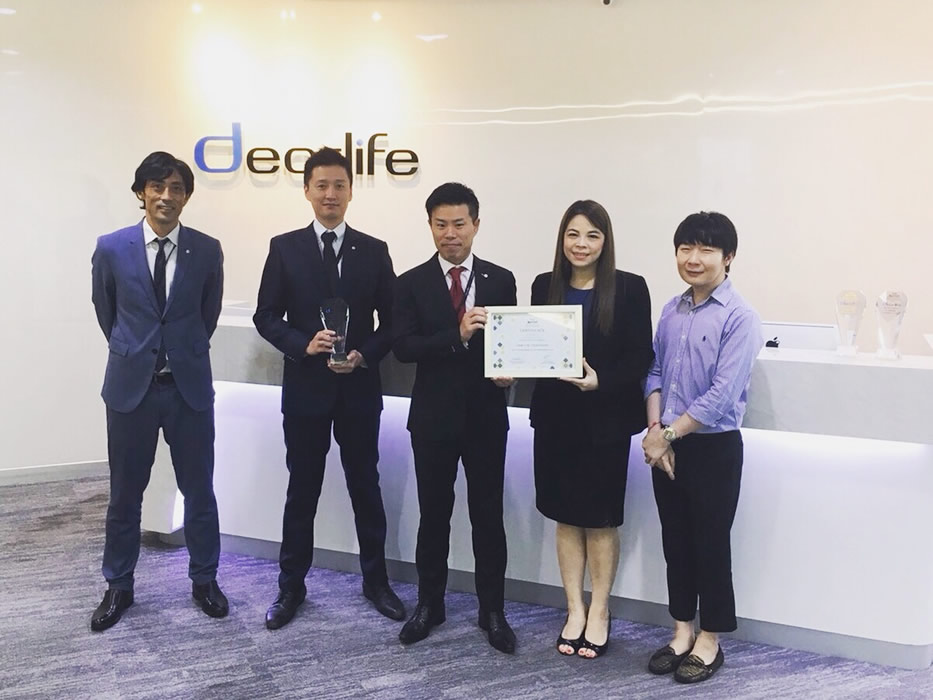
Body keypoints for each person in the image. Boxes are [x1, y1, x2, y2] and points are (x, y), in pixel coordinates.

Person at [253, 147, 403, 629]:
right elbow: (265, 316)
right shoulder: (284, 247)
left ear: (351, 191)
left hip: (358, 389)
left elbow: (393, 322)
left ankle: (376, 581)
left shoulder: (374, 250)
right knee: (302, 491)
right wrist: (303, 344)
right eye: (321, 185)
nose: (330, 194)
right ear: (307, 191)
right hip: (306, 391)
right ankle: (290, 587)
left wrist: (363, 354)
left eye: (339, 185)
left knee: (366, 488)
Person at [90, 151, 227, 631]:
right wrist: (138, 352)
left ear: (186, 197)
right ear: (141, 193)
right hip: (132, 390)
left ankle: (205, 579)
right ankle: (119, 585)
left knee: (200, 491)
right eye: (157, 187)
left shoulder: (206, 250)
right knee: (125, 495)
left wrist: (179, 352)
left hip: (188, 389)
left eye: (176, 188)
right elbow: (106, 310)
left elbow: (207, 314)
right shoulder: (112, 248)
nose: (166, 196)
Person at [392, 182, 518, 653]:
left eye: (459, 224)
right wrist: (457, 335)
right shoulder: (410, 282)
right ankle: (430, 605)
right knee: (433, 517)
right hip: (433, 420)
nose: (450, 233)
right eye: (441, 224)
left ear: (476, 225)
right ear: (430, 226)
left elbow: (511, 343)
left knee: (488, 518)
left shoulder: (501, 279)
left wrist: (510, 374)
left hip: (486, 418)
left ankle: (493, 611)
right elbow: (404, 348)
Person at [642, 211, 762, 684]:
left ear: (728, 257)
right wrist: (656, 429)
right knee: (675, 542)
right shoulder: (671, 310)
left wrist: (667, 435)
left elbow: (721, 395)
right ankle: (681, 632)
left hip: (712, 447)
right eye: (685, 248)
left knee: (711, 544)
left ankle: (710, 639)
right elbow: (655, 372)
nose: (693, 258)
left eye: (706, 249)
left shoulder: (740, 317)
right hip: (667, 444)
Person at [530, 200, 653, 658]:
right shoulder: (544, 285)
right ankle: (574, 609)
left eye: (592, 235)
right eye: (573, 234)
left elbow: (640, 356)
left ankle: (599, 610)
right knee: (565, 517)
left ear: (606, 241)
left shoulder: (630, 288)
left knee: (600, 520)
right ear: (562, 238)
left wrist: (602, 381)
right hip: (556, 420)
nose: (581, 244)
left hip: (605, 422)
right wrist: (508, 366)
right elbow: (535, 348)